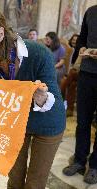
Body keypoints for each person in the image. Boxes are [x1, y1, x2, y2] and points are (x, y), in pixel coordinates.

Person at [0, 5, 65, 189]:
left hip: (48, 123)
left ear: (0, 34)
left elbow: (53, 100)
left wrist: (40, 97)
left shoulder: (39, 54)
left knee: (35, 183)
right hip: (16, 126)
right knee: (14, 180)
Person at [63, 5, 97, 185]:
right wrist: (84, 48)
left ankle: (95, 166)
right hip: (87, 72)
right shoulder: (91, 12)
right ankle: (79, 161)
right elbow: (82, 39)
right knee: (82, 121)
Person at [60, 34, 79, 117]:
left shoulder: (80, 51)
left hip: (78, 72)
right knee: (72, 85)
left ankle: (60, 102)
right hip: (71, 74)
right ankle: (70, 109)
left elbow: (77, 65)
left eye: (76, 40)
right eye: (73, 39)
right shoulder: (68, 50)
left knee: (65, 81)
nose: (74, 41)